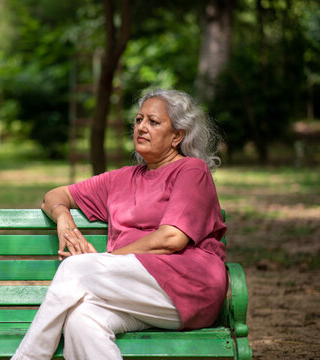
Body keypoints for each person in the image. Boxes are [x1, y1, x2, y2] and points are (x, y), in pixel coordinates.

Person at [11, 89, 228, 360]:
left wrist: (107, 259)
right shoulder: (120, 180)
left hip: (189, 285)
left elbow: (171, 239)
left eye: (153, 121)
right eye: (138, 120)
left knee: (74, 269)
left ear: (177, 136)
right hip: (136, 290)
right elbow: (54, 196)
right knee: (82, 319)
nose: (142, 127)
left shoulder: (190, 170)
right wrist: (64, 219)